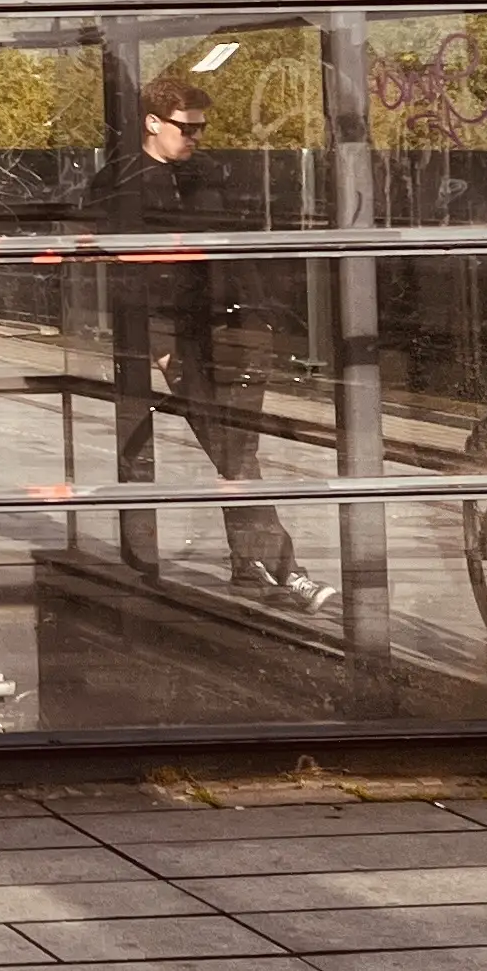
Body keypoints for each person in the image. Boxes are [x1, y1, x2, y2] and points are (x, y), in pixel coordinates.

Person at [101, 65, 323, 609]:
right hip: (178, 333)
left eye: (201, 128)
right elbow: (123, 268)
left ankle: (250, 565)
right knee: (231, 450)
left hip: (235, 325)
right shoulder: (121, 182)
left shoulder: (212, 174)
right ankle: (285, 567)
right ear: (152, 123)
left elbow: (235, 249)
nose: (197, 138)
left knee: (238, 448)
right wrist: (157, 342)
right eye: (187, 128)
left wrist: (263, 317)